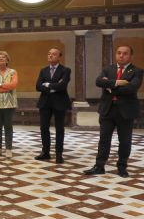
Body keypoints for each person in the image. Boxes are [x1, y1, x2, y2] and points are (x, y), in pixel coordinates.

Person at [84, 45, 143, 178]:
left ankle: (122, 167)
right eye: (119, 53)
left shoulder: (137, 71)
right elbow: (99, 82)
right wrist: (118, 82)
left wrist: (110, 86)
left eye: (125, 53)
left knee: (125, 141)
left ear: (130, 56)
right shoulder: (108, 69)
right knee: (104, 140)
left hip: (125, 111)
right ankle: (99, 166)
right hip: (107, 109)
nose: (121, 56)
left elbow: (131, 88)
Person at [35, 49, 71, 164]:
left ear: (59, 57)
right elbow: (38, 86)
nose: (50, 55)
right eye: (49, 53)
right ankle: (45, 152)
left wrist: (48, 84)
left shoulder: (65, 70)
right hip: (45, 102)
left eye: (53, 54)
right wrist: (54, 86)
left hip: (60, 102)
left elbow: (62, 85)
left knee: (59, 129)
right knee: (44, 128)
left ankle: (59, 154)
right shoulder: (43, 70)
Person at [0, 51, 18, 157]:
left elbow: (13, 85)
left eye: (3, 57)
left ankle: (9, 149)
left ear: (7, 60)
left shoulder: (13, 72)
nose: (1, 59)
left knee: (8, 126)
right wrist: (5, 87)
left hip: (9, 103)